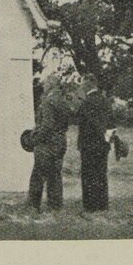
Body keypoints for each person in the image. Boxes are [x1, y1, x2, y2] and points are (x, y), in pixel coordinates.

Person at [27, 79, 70, 213]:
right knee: (55, 175)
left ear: (51, 85)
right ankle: (55, 206)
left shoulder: (48, 102)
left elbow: (47, 126)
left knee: (38, 175)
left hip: (47, 144)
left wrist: (35, 139)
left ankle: (33, 207)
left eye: (46, 83)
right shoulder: (64, 101)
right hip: (60, 141)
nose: (44, 85)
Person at [76, 73, 114, 213]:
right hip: (103, 144)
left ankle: (90, 206)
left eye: (82, 84)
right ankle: (102, 205)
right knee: (101, 174)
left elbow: (79, 119)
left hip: (88, 145)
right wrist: (107, 140)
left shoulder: (86, 102)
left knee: (88, 175)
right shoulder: (105, 101)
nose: (81, 86)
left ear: (88, 84)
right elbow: (111, 124)